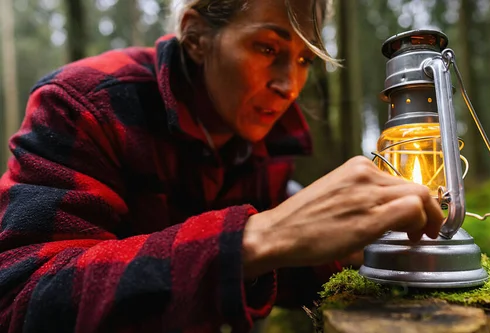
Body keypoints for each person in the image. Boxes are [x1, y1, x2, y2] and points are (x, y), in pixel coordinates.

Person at [0, 0, 444, 332]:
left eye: (306, 59)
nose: (289, 86)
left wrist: (343, 254)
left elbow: (274, 275)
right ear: (195, 36)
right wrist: (256, 237)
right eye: (267, 47)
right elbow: (22, 297)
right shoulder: (86, 103)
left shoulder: (264, 131)